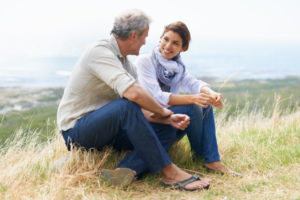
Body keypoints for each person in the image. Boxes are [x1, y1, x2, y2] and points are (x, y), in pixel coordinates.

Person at [57, 10, 211, 191]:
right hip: (77, 131)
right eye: (144, 37)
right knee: (125, 106)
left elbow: (140, 110)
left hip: (109, 130)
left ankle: (124, 172)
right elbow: (134, 94)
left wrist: (166, 119)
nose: (146, 41)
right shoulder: (99, 51)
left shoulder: (127, 65)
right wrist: (163, 111)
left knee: (165, 129)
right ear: (133, 36)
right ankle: (170, 173)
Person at [135, 21, 241, 176]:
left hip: (172, 122)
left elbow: (193, 83)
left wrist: (211, 94)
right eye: (166, 39)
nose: (168, 46)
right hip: (151, 122)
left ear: (183, 48)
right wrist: (193, 99)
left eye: (175, 43)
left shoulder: (177, 68)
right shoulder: (144, 61)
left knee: (205, 103)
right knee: (192, 106)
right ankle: (204, 157)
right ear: (160, 38)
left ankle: (211, 160)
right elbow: (156, 96)